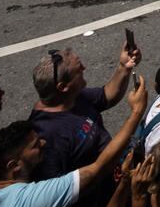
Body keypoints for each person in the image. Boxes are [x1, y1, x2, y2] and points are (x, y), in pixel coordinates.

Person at [0, 72, 146, 207]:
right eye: (35, 146)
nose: (44, 144)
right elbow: (96, 170)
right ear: (14, 166)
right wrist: (137, 111)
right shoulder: (34, 200)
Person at [28, 40, 141, 185]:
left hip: (119, 168)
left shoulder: (73, 97)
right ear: (63, 87)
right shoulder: (48, 136)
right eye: (79, 69)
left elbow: (106, 96)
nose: (84, 68)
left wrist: (124, 67)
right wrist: (137, 112)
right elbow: (60, 190)